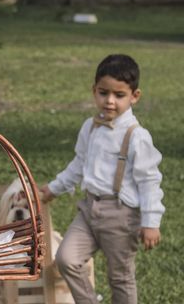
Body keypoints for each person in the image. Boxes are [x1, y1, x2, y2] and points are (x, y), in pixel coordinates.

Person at [40, 54, 164, 304]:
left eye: (119, 95)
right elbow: (78, 164)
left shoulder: (137, 136)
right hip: (89, 210)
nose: (109, 101)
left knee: (120, 277)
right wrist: (53, 189)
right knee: (66, 259)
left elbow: (149, 181)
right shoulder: (90, 126)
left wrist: (151, 221)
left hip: (121, 216)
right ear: (94, 90)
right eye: (103, 92)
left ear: (134, 96)